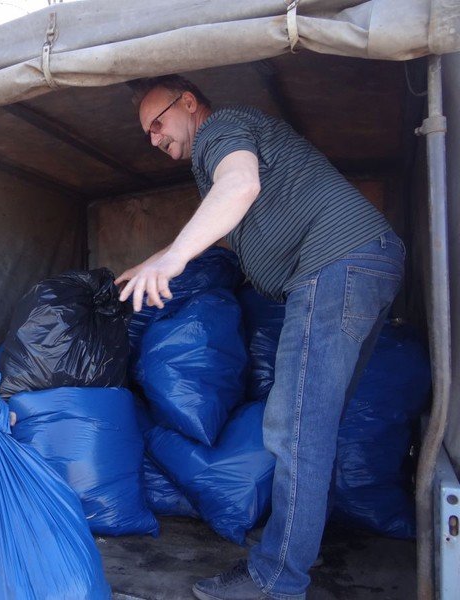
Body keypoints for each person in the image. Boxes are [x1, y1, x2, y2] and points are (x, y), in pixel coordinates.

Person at [117, 76, 404, 600]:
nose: (155, 139)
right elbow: (223, 225)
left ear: (188, 103)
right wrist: (147, 263)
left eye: (158, 123)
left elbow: (240, 186)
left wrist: (174, 259)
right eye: (147, 135)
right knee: (317, 422)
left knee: (295, 429)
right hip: (367, 260)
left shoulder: (221, 130)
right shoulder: (218, 161)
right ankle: (299, 550)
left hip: (332, 264)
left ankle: (276, 580)